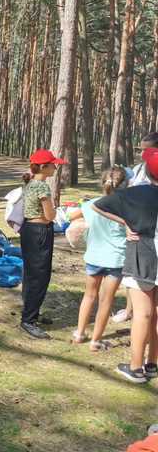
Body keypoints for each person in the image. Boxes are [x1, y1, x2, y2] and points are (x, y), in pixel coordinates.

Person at [93, 147, 158, 383]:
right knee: (155, 314)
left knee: (142, 313)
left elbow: (98, 205)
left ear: (147, 172)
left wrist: (127, 224)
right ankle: (152, 363)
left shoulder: (135, 193)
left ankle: (136, 368)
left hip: (143, 255)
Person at [69, 166, 129, 351]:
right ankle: (96, 340)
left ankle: (79, 334)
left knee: (89, 296)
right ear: (126, 184)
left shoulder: (92, 204)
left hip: (94, 257)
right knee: (106, 300)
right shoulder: (127, 207)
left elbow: (71, 215)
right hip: (116, 260)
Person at [19, 149, 68, 339]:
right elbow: (50, 215)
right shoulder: (42, 187)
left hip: (28, 231)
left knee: (31, 274)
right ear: (43, 167)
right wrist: (58, 212)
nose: (56, 167)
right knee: (39, 277)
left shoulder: (30, 183)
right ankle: (28, 320)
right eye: (52, 164)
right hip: (39, 232)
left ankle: (32, 312)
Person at [112, 133, 158, 324]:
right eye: (140, 149)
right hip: (138, 235)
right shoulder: (138, 170)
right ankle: (130, 310)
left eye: (146, 150)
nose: (141, 154)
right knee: (135, 277)